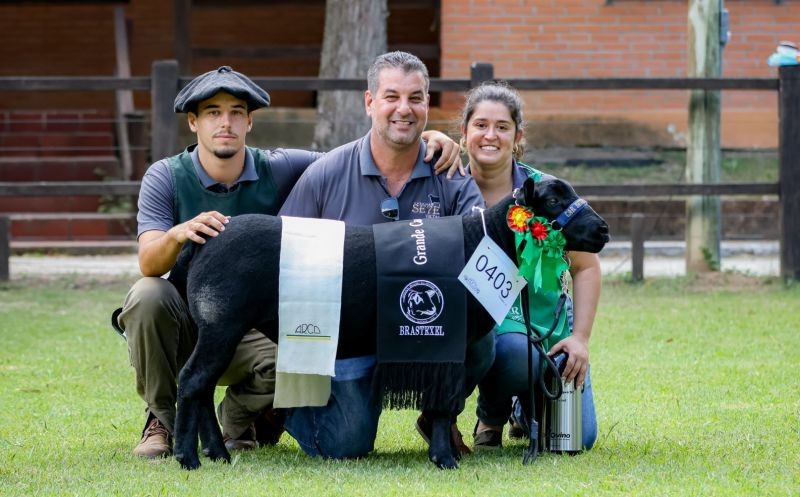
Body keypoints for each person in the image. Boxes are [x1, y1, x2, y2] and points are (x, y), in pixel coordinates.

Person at [115, 65, 463, 459]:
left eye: (235, 113)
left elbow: (366, 152)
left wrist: (423, 136)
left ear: (249, 121)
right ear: (193, 122)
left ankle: (235, 417)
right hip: (183, 315)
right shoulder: (165, 176)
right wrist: (179, 233)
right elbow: (147, 261)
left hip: (251, 318)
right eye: (212, 113)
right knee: (147, 294)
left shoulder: (280, 166)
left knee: (303, 350)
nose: (224, 123)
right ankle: (162, 418)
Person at [278, 51, 492, 459]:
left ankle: (439, 414)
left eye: (416, 98)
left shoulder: (450, 174)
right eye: (391, 96)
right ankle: (282, 409)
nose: (404, 109)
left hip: (423, 326)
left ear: (427, 104)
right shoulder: (326, 173)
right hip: (349, 336)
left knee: (484, 337)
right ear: (369, 102)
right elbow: (284, 256)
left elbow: (481, 252)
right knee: (346, 447)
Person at [457, 82, 601, 450]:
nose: (491, 136)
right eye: (481, 125)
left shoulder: (546, 193)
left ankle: (525, 407)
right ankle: (491, 415)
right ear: (464, 131)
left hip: (545, 329)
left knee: (577, 438)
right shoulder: (446, 187)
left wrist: (580, 338)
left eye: (502, 127)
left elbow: (585, 267)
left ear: (518, 135)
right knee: (509, 352)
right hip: (482, 336)